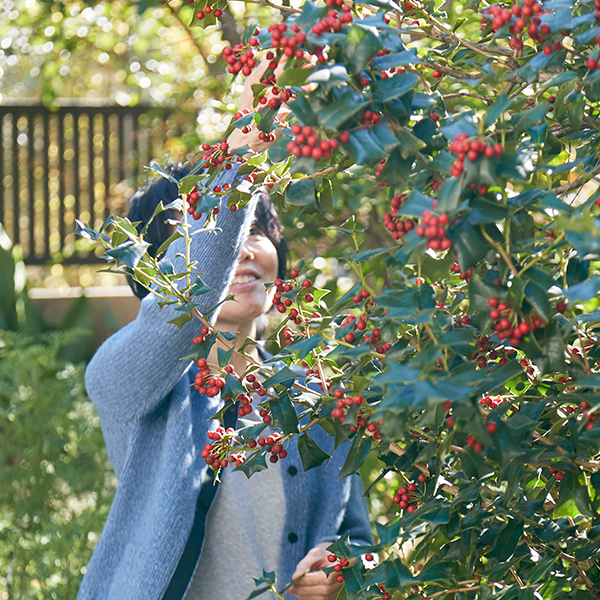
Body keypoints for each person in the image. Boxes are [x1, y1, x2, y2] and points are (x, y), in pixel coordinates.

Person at [79, 158, 372, 600]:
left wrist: (341, 565)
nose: (242, 249)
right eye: (197, 237)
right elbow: (176, 309)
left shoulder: (316, 398)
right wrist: (241, 154)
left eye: (254, 231)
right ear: (158, 274)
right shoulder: (128, 380)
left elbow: (362, 542)